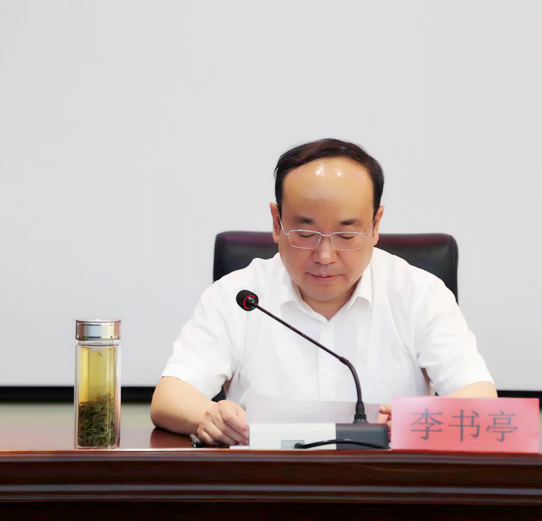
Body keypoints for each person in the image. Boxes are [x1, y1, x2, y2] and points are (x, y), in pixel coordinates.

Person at [150, 139, 497, 446]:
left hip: (388, 486)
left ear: (375, 225)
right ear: (276, 223)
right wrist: (208, 415)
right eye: (305, 234)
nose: (325, 256)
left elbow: (479, 398)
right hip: (266, 486)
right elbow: (170, 397)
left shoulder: (420, 294)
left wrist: (420, 419)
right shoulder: (240, 297)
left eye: (346, 236)